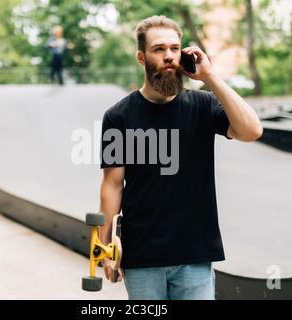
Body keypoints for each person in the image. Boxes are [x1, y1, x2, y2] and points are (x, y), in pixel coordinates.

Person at [99, 15, 263, 300]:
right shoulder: (118, 117)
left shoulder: (203, 105)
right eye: (159, 49)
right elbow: (113, 184)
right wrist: (105, 248)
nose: (169, 56)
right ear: (141, 57)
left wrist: (210, 77)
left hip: (194, 255)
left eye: (175, 48)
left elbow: (251, 130)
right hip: (142, 256)